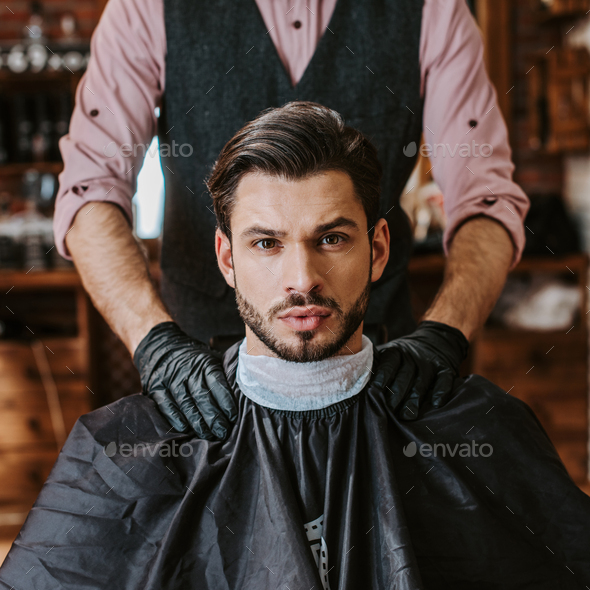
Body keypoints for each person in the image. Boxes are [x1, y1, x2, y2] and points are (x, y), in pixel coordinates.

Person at [2, 102, 587, 590]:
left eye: (331, 238)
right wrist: (152, 338)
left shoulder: (479, 430)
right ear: (227, 258)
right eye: (266, 244)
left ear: (378, 249)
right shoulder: (124, 452)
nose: (301, 278)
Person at [54, 0, 531, 440]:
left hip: (380, 373)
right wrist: (155, 343)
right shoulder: (149, 6)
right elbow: (90, 188)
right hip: (201, 378)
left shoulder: (431, 9)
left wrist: (446, 332)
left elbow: (485, 198)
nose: (301, 279)